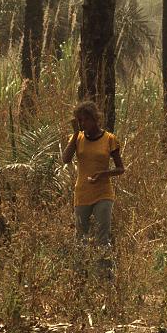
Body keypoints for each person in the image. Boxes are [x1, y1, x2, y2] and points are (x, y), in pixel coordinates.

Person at [61, 100, 125, 255]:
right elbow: (65, 159)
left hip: (103, 194)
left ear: (95, 119)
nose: (83, 124)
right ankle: (81, 276)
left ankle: (104, 276)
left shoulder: (109, 139)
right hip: (82, 194)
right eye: (79, 121)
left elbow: (120, 168)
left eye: (85, 119)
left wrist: (103, 174)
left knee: (102, 238)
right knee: (80, 239)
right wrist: (76, 133)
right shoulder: (77, 138)